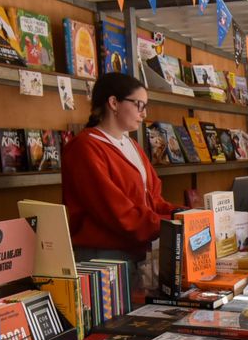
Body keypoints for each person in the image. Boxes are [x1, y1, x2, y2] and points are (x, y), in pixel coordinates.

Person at [62, 72, 176, 261]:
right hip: (104, 258)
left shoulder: (131, 145)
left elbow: (153, 200)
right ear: (114, 103)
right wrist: (169, 224)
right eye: (139, 105)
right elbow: (115, 211)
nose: (144, 113)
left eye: (145, 106)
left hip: (137, 252)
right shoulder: (84, 148)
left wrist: (184, 215)